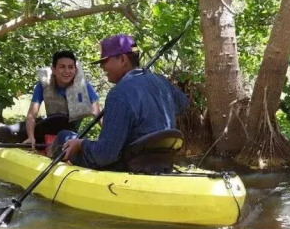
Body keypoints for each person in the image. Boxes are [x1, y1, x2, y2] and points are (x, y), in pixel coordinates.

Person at [53, 34, 188, 170]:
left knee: (64, 136)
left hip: (128, 166)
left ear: (123, 59)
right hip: (161, 162)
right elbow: (182, 104)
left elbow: (104, 156)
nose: (102, 67)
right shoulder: (161, 81)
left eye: (104, 61)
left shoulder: (119, 94)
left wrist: (81, 144)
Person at [22, 50, 101, 149]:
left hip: (69, 134)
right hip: (49, 127)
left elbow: (98, 114)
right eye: (62, 67)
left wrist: (108, 137)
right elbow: (31, 115)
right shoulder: (44, 85)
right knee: (9, 132)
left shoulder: (83, 86)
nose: (67, 71)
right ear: (54, 69)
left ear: (75, 70)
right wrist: (31, 137)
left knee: (62, 140)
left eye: (71, 67)